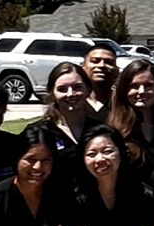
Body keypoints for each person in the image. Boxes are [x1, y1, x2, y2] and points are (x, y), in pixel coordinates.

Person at [24, 61, 99, 194]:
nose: (70, 94)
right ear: (51, 93)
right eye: (62, 89)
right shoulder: (39, 132)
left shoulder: (101, 131)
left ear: (88, 90)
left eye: (77, 87)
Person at [106, 59, 154, 169]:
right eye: (134, 86)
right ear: (124, 90)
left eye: (149, 86)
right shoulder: (112, 130)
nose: (141, 91)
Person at [81, 43, 122, 110]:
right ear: (82, 66)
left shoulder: (123, 103)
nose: (102, 65)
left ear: (116, 69)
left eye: (108, 62)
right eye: (95, 61)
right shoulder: (73, 100)